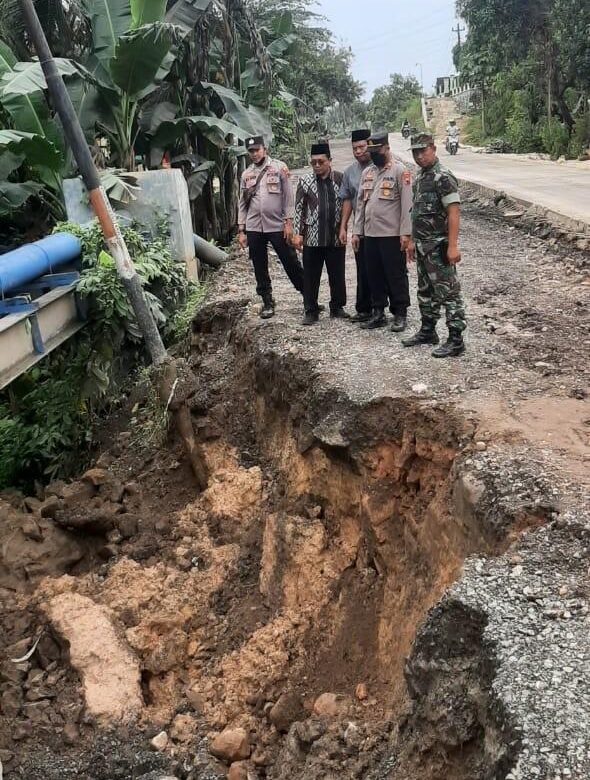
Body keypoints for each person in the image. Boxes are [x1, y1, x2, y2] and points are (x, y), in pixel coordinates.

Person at [403, 132, 466, 358]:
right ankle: (428, 331)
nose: (420, 156)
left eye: (423, 151)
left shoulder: (443, 177)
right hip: (422, 246)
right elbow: (416, 212)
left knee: (449, 293)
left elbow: (453, 212)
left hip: (438, 246)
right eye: (416, 152)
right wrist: (412, 240)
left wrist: (453, 246)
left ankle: (456, 339)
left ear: (433, 149)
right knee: (425, 291)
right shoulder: (421, 178)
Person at [352, 130, 413, 332]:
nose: (373, 155)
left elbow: (407, 205)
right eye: (371, 151)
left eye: (376, 151)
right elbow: (361, 204)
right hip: (370, 234)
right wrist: (357, 231)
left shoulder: (399, 171)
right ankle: (378, 311)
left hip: (391, 235)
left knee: (395, 274)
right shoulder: (367, 173)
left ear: (386, 148)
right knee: (374, 274)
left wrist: (406, 234)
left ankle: (400, 312)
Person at [238, 135, 304, 319]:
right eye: (251, 151)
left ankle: (308, 296)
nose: (254, 154)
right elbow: (242, 203)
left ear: (265, 149)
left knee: (290, 260)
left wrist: (288, 222)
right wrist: (241, 230)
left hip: (276, 224)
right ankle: (267, 301)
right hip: (254, 226)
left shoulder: (279, 168)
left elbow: (288, 197)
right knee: (259, 265)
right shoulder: (246, 174)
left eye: (257, 150)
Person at [293, 142, 347, 326]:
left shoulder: (340, 179)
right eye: (313, 162)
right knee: (311, 276)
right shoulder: (305, 181)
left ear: (329, 160)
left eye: (321, 162)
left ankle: (337, 307)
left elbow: (347, 203)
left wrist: (344, 227)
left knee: (337, 273)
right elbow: (299, 208)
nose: (317, 165)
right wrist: (298, 233)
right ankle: (311, 310)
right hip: (312, 237)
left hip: (335, 235)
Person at [339, 129, 372, 322]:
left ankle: (395, 310)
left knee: (387, 269)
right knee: (363, 269)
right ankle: (364, 309)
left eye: (362, 147)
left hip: (383, 229)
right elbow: (347, 200)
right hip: (360, 229)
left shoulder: (381, 167)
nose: (358, 152)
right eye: (355, 148)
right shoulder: (350, 172)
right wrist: (344, 226)